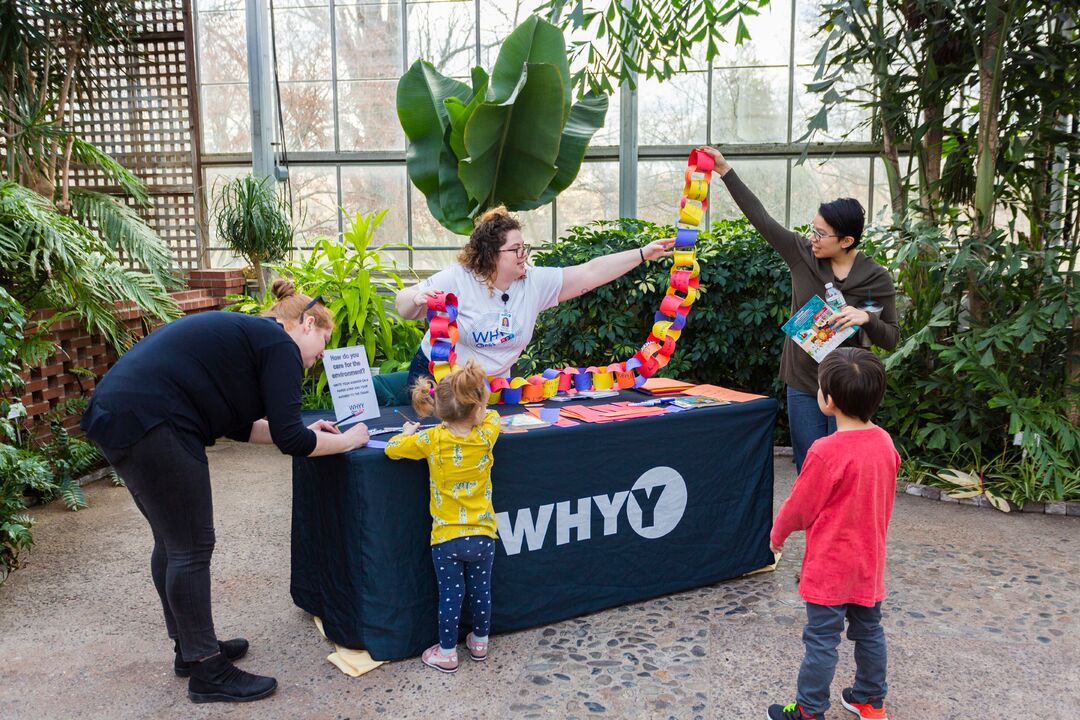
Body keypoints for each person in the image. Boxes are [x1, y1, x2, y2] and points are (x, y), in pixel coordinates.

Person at [81, 280, 370, 704]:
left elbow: (242, 427)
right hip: (154, 421)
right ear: (307, 323)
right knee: (191, 547)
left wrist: (305, 431)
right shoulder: (279, 344)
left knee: (173, 541)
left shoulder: (249, 343)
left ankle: (191, 648)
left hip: (125, 415)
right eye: (322, 343)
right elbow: (292, 442)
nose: (321, 356)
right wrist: (349, 440)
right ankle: (207, 670)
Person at [699, 146, 899, 472]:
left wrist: (866, 319)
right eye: (812, 229)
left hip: (848, 389)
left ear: (846, 241)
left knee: (842, 471)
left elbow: (891, 338)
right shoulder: (801, 254)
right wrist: (724, 170)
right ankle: (816, 527)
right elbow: (761, 218)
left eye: (821, 234)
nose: (813, 238)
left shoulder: (875, 278)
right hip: (803, 385)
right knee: (810, 470)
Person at [395, 205, 674, 386]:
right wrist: (416, 298)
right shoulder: (457, 278)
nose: (523, 255)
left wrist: (642, 254)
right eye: (515, 249)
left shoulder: (533, 281)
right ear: (492, 255)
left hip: (493, 387)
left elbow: (589, 273)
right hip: (437, 379)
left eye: (523, 246)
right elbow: (403, 305)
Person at [767, 348, 899, 720]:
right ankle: (871, 701)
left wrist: (777, 535)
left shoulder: (826, 451)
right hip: (869, 561)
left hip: (830, 565)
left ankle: (809, 710)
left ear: (828, 399)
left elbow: (800, 506)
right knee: (869, 631)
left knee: (822, 640)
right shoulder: (885, 444)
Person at [383, 361, 501, 673]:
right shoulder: (486, 434)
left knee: (451, 596)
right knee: (481, 591)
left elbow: (393, 449)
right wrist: (480, 410)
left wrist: (408, 431)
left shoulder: (431, 439)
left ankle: (447, 652)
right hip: (484, 535)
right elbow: (494, 416)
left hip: (447, 539)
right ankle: (480, 643)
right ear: (476, 407)